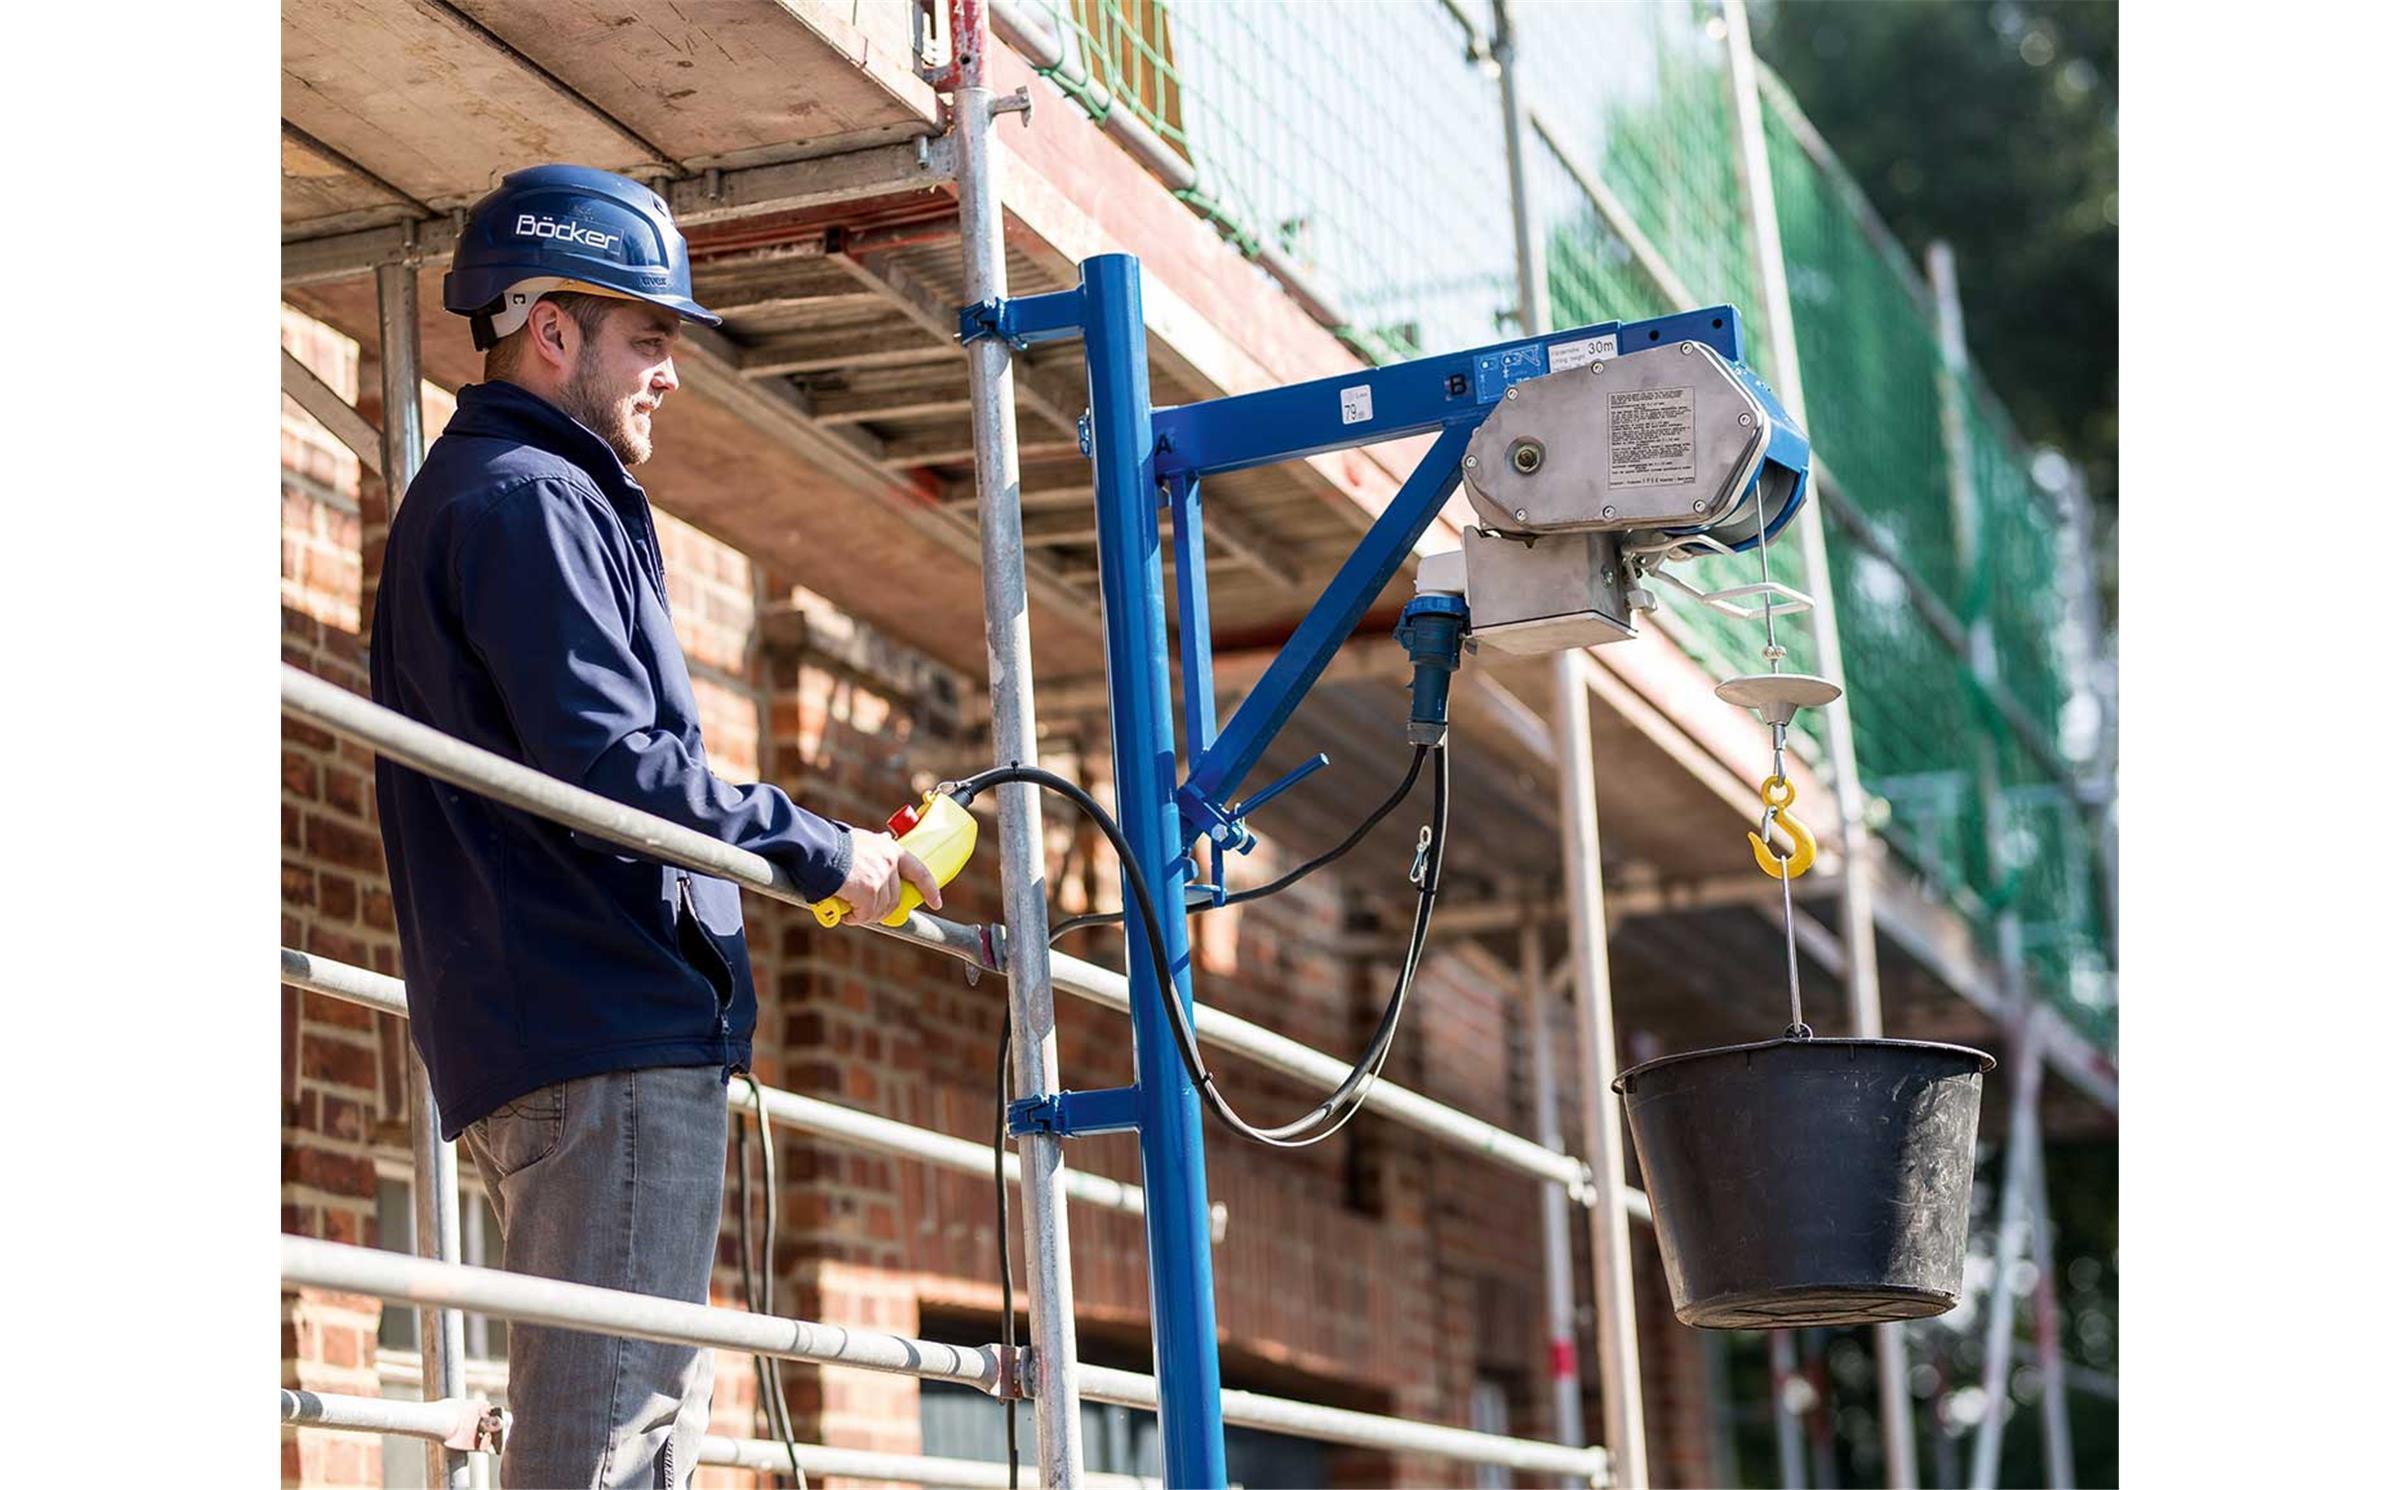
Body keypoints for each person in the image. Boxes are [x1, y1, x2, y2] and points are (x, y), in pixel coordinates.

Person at [368, 162, 939, 1488]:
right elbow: (618, 764)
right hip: (599, 1026)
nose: (673, 370)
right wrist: (825, 850)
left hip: (578, 1023)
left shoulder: (530, 494)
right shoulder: (530, 499)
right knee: (606, 1446)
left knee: (635, 1437)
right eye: (651, 335)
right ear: (549, 328)